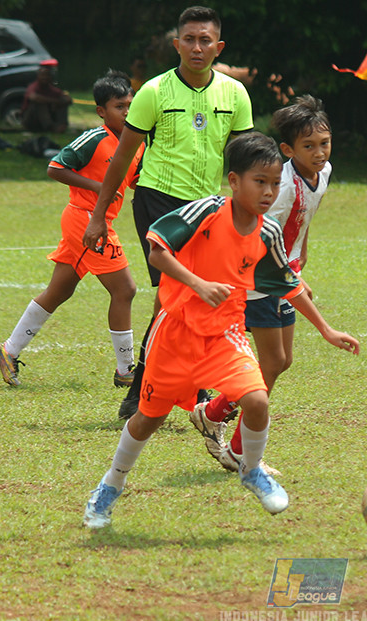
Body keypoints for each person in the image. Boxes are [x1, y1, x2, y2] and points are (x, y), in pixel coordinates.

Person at [82, 132, 360, 529]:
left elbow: (289, 284)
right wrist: (197, 283)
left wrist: (327, 329)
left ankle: (250, 470)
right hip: (176, 333)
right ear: (234, 181)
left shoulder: (268, 233)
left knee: (258, 400)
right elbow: (157, 248)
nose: (268, 192)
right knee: (147, 419)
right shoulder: (207, 213)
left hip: (226, 333)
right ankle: (110, 486)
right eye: (259, 182)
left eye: (275, 184)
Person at [81, 6, 254, 420]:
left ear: (219, 46)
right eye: (190, 39)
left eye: (205, 40)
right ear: (177, 44)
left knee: (180, 300)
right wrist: (99, 214)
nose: (197, 47)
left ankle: (153, 387)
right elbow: (122, 157)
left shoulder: (235, 94)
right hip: (158, 203)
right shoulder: (154, 92)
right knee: (176, 295)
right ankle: (166, 390)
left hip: (208, 209)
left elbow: (248, 161)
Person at [190, 95, 333, 474]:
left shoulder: (323, 173)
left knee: (281, 361)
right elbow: (261, 233)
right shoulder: (281, 187)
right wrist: (290, 276)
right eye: (309, 147)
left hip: (283, 273)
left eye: (324, 143)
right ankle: (237, 449)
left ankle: (214, 411)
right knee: (271, 362)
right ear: (288, 150)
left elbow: (301, 226)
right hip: (260, 280)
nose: (319, 153)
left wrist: (300, 263)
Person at [0, 71, 143, 388]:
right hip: (86, 220)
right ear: (101, 111)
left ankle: (8, 350)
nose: (127, 111)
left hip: (98, 221)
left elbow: (137, 181)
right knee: (125, 289)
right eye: (119, 106)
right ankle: (126, 369)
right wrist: (99, 187)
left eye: (130, 104)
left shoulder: (135, 145)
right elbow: (55, 167)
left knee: (60, 290)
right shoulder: (94, 139)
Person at [21, 61, 72, 133]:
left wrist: (59, 102)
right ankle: (51, 127)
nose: (45, 78)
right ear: (38, 76)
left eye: (47, 75)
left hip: (47, 117)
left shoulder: (52, 89)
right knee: (39, 103)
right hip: (30, 120)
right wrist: (53, 101)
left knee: (62, 102)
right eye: (42, 75)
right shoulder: (33, 87)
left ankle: (62, 125)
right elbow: (34, 97)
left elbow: (68, 99)